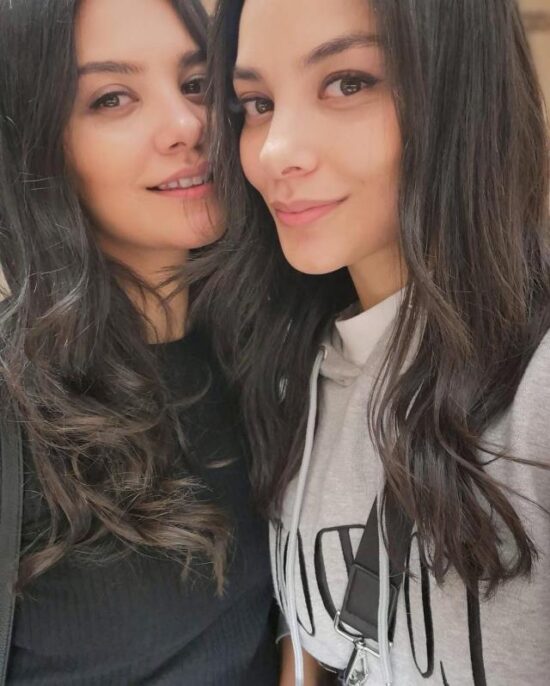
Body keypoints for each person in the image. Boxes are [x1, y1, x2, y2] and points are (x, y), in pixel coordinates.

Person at [203, 0, 550, 683]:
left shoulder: (534, 389)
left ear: (461, 89)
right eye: (258, 104)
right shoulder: (290, 366)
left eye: (348, 83)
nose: (274, 152)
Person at [0, 0, 278, 683]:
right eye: (112, 98)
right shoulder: (16, 410)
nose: (187, 124)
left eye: (196, 83)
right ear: (38, 146)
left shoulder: (276, 348)